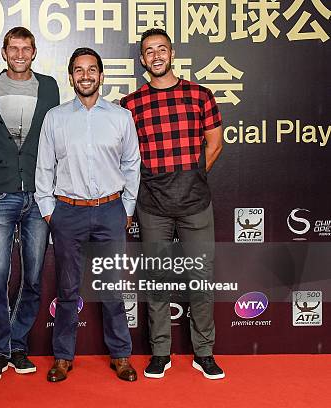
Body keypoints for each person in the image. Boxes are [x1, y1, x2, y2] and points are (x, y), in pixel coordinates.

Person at [120, 28, 224, 380]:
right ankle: (160, 352)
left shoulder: (199, 95)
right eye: (149, 51)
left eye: (161, 49)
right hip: (152, 206)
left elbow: (214, 144)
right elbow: (127, 157)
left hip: (195, 203)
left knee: (200, 279)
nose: (156, 55)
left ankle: (204, 353)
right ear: (142, 60)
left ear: (173, 53)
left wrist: (190, 177)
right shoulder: (130, 104)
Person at [35, 47, 141, 383]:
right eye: (78, 70)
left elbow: (131, 165)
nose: (85, 76)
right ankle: (63, 357)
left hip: (111, 211)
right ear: (71, 77)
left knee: (112, 288)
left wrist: (126, 208)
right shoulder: (56, 118)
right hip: (68, 212)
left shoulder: (121, 117)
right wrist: (51, 212)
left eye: (91, 70)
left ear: (101, 75)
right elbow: (44, 167)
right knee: (67, 290)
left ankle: (121, 356)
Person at [0, 27, 60, 381]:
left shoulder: (50, 86)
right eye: (13, 48)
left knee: (32, 278)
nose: (19, 54)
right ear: (3, 52)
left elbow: (59, 136)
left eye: (26, 48)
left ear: (34, 52)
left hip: (39, 196)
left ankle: (18, 345)